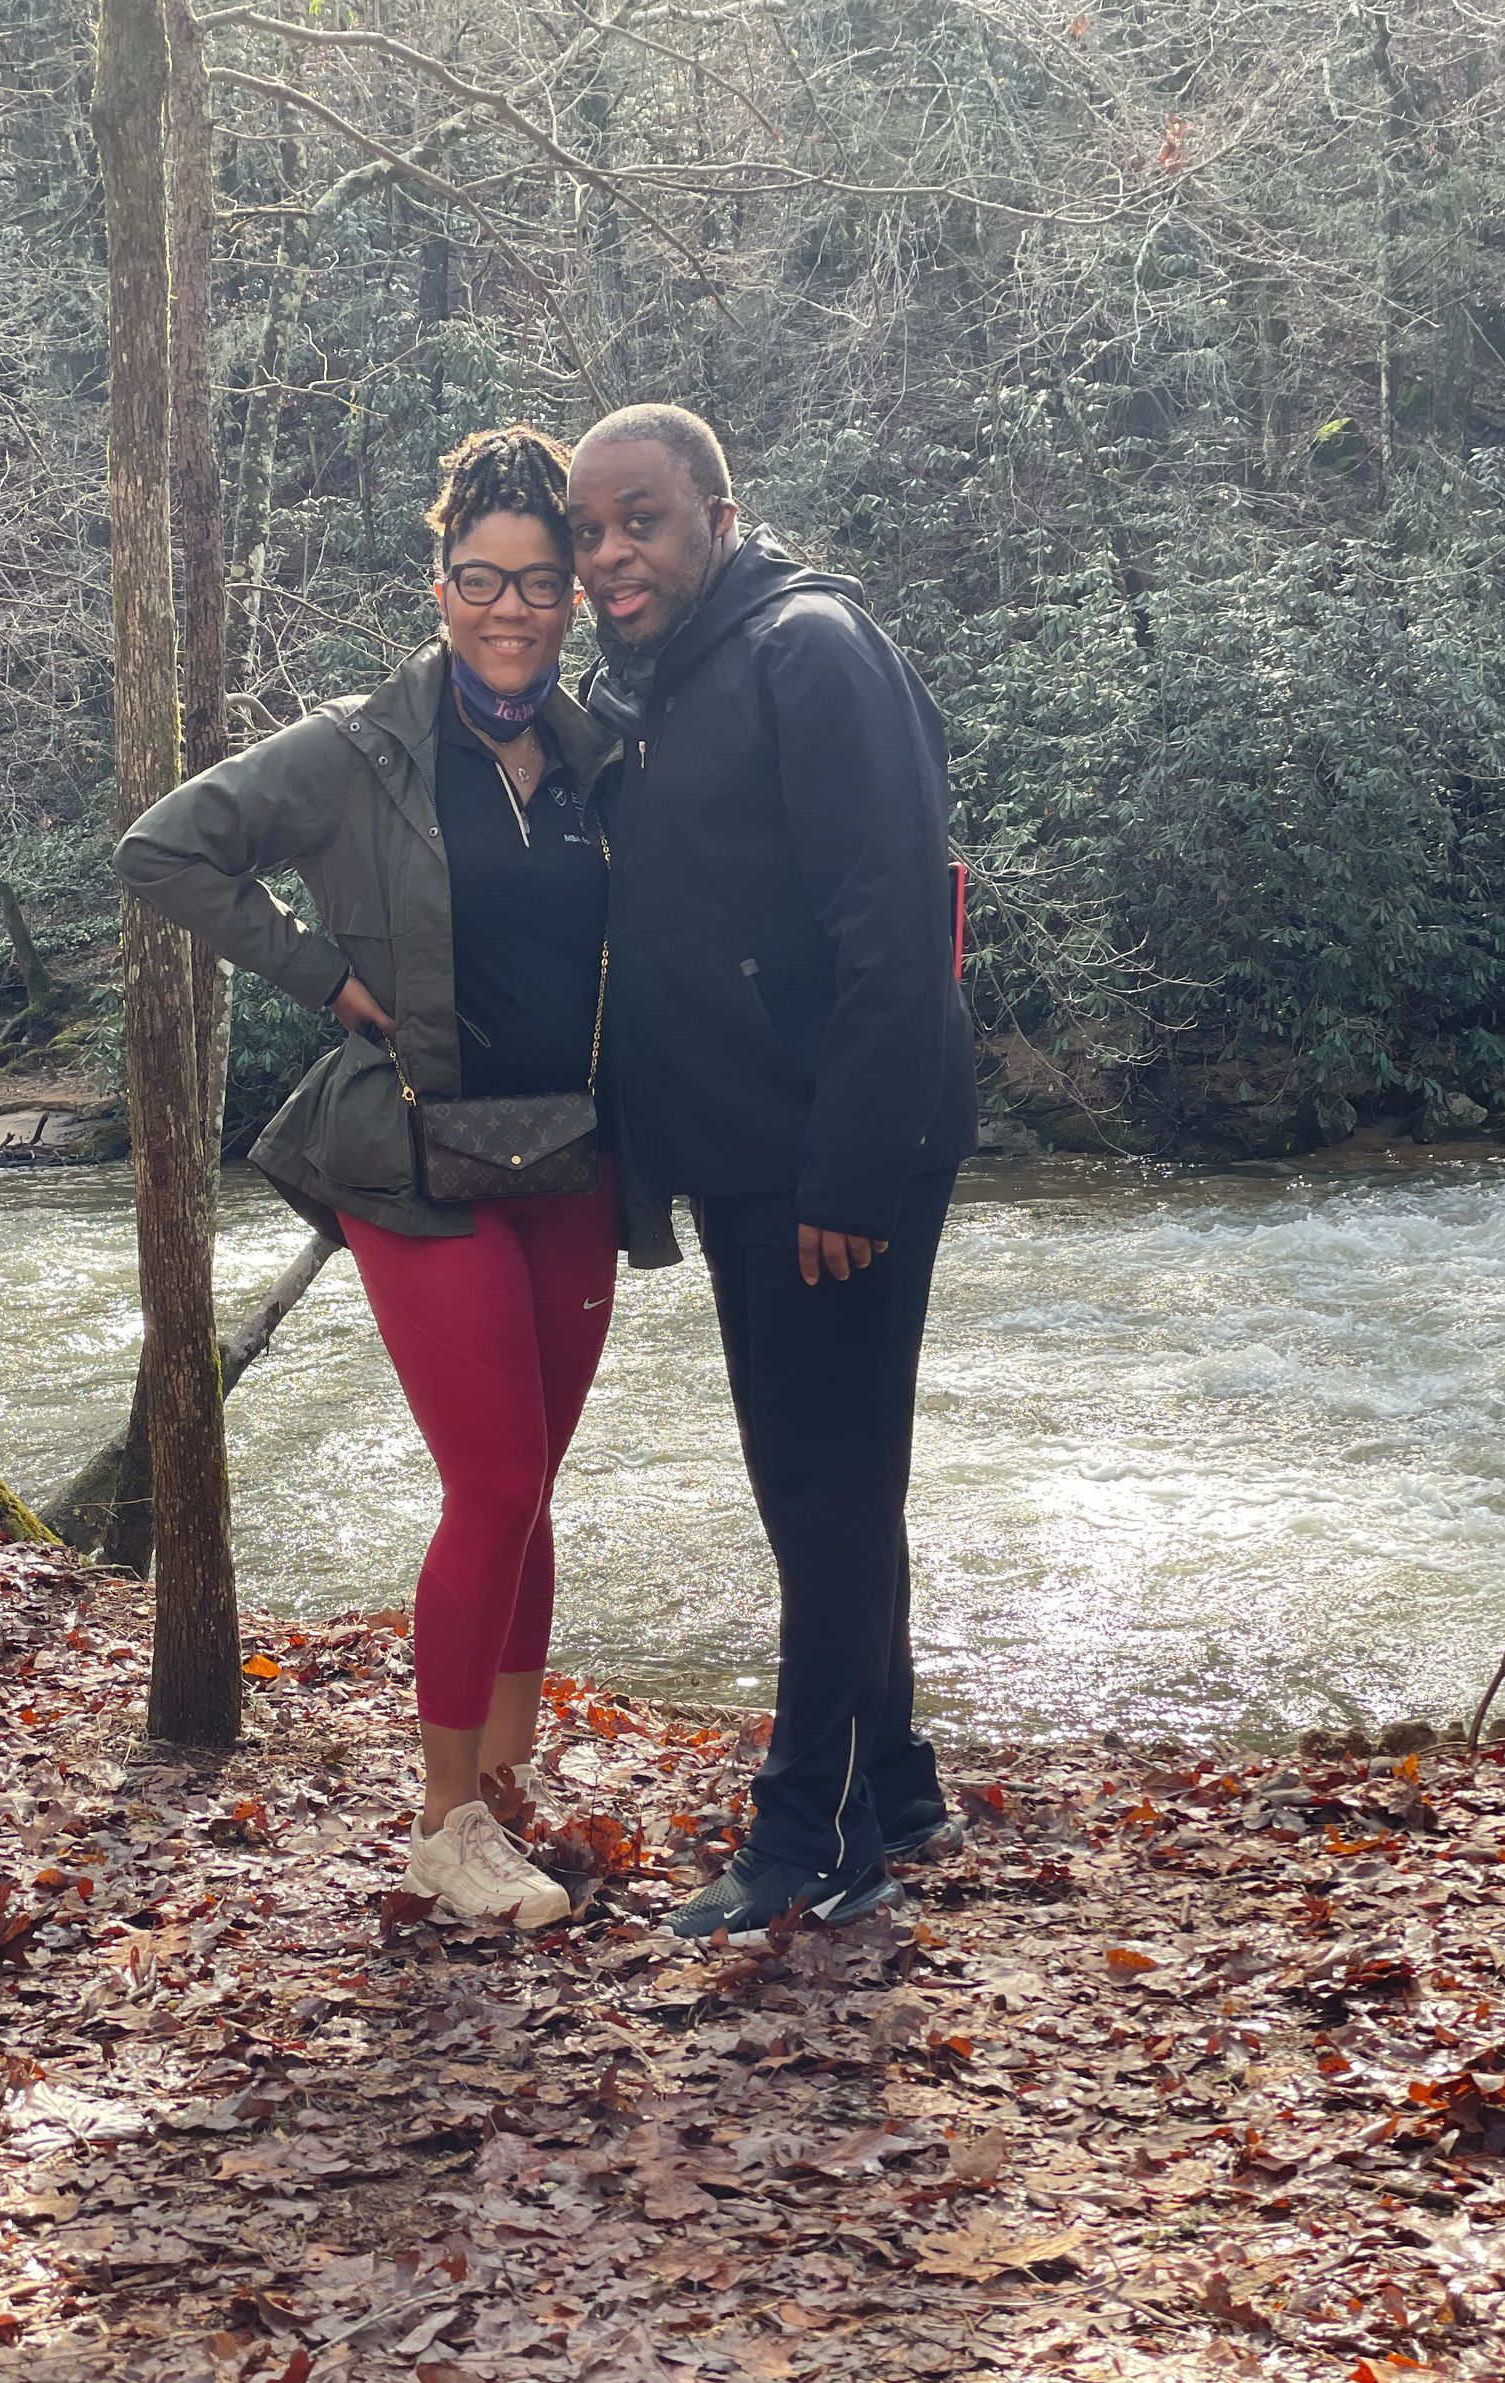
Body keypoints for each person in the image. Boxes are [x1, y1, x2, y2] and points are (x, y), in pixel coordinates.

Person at [118, 425, 675, 1928]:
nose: (512, 609)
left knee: (533, 1488)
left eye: (541, 583)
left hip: (571, 1154)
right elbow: (165, 851)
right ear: (440, 590)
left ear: (571, 598)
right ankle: (441, 1827)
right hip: (415, 1154)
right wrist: (325, 979)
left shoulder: (597, 756)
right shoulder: (358, 751)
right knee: (488, 1484)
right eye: (482, 579)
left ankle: (501, 1783)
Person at [565, 402, 980, 1940]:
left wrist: (847, 1179)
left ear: (720, 518)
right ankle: (898, 1784)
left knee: (820, 1490)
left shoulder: (810, 649)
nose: (612, 554)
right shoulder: (668, 680)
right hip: (752, 1147)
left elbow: (898, 927)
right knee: (833, 1479)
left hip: (833, 1153)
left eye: (643, 520)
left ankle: (814, 1838)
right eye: (591, 531)